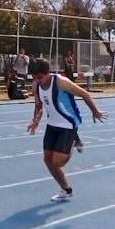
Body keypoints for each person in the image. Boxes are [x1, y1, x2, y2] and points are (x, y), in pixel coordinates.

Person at [26, 58, 107, 201]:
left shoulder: (61, 82)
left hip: (68, 124)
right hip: (52, 124)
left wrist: (95, 111)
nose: (37, 80)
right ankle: (66, 189)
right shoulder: (36, 86)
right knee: (47, 160)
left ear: (48, 73)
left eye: (40, 77)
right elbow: (38, 106)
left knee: (58, 162)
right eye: (34, 77)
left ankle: (75, 140)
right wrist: (36, 120)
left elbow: (84, 94)